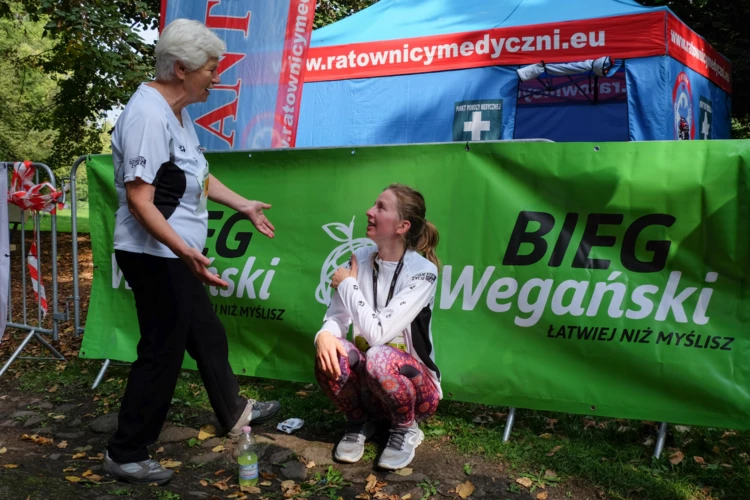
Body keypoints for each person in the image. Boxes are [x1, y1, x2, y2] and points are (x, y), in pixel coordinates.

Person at [102, 19, 280, 485]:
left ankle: (234, 409)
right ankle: (126, 451)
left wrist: (243, 205)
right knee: (162, 351)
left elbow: (198, 176)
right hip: (155, 255)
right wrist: (185, 252)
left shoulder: (178, 113)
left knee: (205, 332)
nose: (216, 77)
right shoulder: (147, 115)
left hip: (176, 254)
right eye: (210, 68)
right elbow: (140, 201)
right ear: (181, 68)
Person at [314, 183, 442, 470]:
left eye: (381, 207)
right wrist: (323, 335)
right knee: (331, 349)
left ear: (402, 225)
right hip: (370, 388)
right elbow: (337, 317)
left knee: (378, 355)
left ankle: (405, 429)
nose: (369, 211)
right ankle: (358, 423)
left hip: (419, 393)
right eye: (374, 205)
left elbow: (378, 335)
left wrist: (347, 283)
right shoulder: (359, 257)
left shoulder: (423, 272)